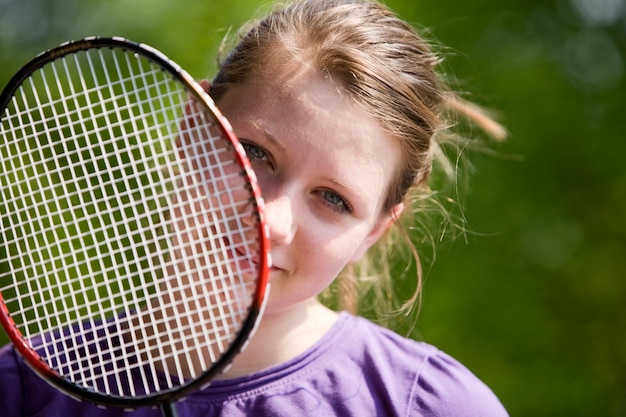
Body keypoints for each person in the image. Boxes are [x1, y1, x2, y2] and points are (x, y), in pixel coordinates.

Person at [0, 0, 509, 415]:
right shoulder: (22, 392)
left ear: (374, 233)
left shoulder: (428, 406)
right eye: (256, 154)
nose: (271, 220)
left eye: (333, 199)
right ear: (192, 127)